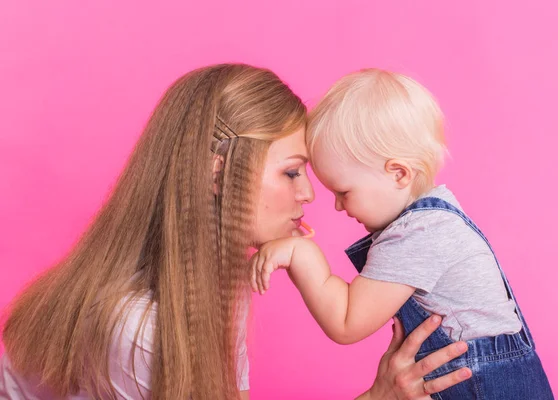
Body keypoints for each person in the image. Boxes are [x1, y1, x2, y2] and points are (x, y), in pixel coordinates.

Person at [0, 64, 471, 400]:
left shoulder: (216, 288)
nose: (310, 194)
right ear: (218, 172)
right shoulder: (140, 324)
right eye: (291, 172)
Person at [251, 68, 553, 399]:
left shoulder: (418, 233)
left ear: (398, 174)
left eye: (344, 192)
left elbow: (347, 321)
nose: (337, 206)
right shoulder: (432, 220)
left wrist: (300, 254)